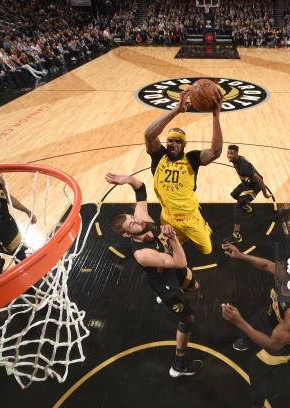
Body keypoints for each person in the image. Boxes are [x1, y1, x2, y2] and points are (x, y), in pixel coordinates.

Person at [106, 172, 203, 378]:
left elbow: (140, 188)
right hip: (165, 283)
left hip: (170, 268)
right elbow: (181, 261)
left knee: (195, 286)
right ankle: (179, 364)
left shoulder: (143, 220)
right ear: (127, 234)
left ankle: (179, 295)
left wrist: (127, 180)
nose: (138, 222)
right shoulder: (142, 254)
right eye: (132, 224)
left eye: (133, 217)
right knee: (188, 319)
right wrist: (173, 238)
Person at [221, 243, 290, 408]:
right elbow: (266, 264)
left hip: (283, 344)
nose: (278, 268)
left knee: (257, 372)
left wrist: (239, 322)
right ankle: (246, 340)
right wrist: (241, 255)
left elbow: (274, 344)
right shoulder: (284, 276)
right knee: (255, 320)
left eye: (283, 268)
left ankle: (257, 404)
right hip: (271, 316)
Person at [144, 87, 223, 255]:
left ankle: (203, 226)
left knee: (207, 250)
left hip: (190, 217)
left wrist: (216, 114)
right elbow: (149, 135)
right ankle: (179, 238)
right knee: (166, 252)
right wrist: (177, 110)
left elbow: (215, 152)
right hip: (167, 217)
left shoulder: (192, 158)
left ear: (184, 145)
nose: (173, 144)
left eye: (178, 141)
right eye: (170, 140)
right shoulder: (159, 156)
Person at [224, 144, 271, 244]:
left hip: (254, 187)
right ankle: (246, 206)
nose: (229, 155)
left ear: (237, 153)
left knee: (237, 207)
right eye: (228, 153)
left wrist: (265, 193)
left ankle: (236, 235)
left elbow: (259, 180)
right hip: (246, 183)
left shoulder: (243, 167)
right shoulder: (236, 160)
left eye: (232, 153)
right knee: (233, 194)